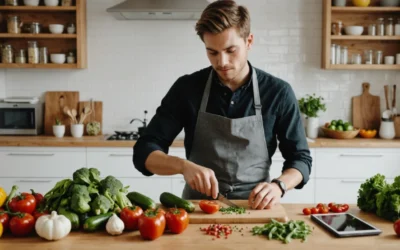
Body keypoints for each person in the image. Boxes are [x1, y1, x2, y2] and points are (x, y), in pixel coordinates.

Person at [133, 0, 312, 210]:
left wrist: (279, 186)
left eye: (230, 50)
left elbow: (300, 159)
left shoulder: (278, 93)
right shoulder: (187, 89)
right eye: (213, 52)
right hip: (198, 208)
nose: (222, 62)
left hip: (255, 208)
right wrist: (182, 166)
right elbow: (144, 151)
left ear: (249, 41)